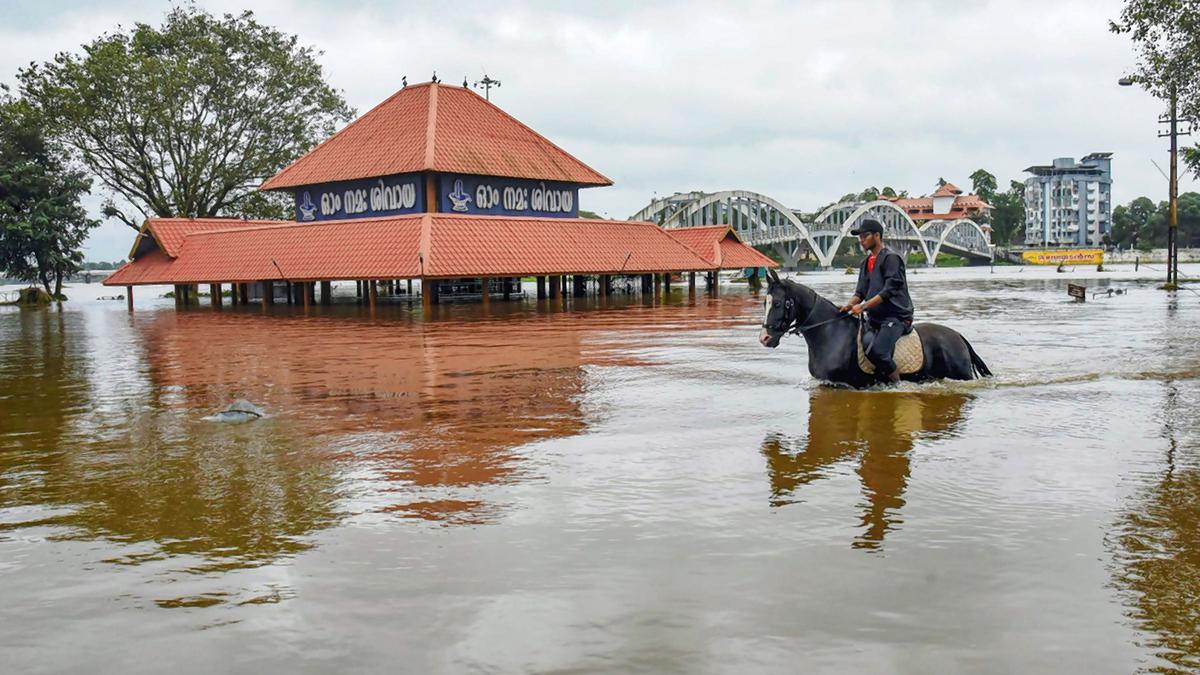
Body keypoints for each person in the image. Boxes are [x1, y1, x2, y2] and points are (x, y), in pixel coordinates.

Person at [838, 218, 914, 383]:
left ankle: (898, 386)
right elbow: (860, 292)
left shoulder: (892, 259)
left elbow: (888, 291)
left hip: (896, 317)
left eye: (865, 236)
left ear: (877, 236)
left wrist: (863, 306)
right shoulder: (865, 263)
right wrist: (849, 305)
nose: (861, 240)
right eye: (860, 237)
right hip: (875, 318)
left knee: (878, 352)